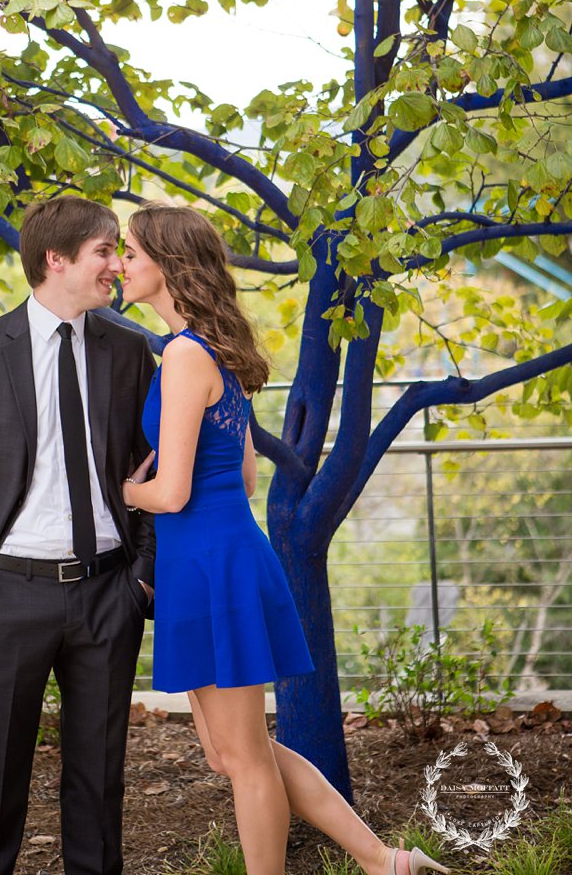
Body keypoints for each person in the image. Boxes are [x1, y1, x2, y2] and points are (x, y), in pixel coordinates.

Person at [119, 204, 450, 875]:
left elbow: (173, 493)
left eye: (129, 252)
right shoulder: (213, 350)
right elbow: (240, 476)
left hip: (210, 563)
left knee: (241, 758)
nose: (121, 264)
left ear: (166, 263)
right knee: (234, 753)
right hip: (216, 558)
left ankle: (368, 864)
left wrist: (122, 490)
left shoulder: (184, 355)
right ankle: (388, 863)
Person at [0, 195, 157, 875]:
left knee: (99, 787)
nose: (117, 265)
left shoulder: (131, 351)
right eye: (105, 251)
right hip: (7, 597)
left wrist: (140, 580)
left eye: (119, 251)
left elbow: (151, 467)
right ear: (55, 260)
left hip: (108, 595)